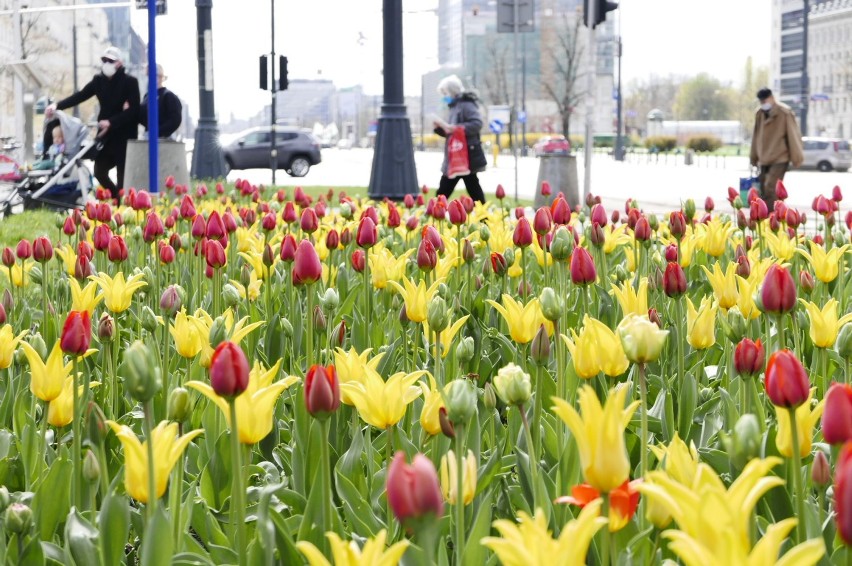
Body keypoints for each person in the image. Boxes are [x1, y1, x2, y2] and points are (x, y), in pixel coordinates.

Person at [46, 46, 140, 200]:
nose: (106, 63)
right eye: (104, 60)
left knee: (123, 177)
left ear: (119, 63)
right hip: (105, 137)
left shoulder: (130, 82)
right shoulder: (98, 81)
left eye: (110, 60)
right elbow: (80, 96)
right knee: (99, 171)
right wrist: (57, 106)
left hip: (124, 138)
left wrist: (111, 121)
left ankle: (121, 206)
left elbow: (134, 111)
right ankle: (117, 197)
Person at [433, 75, 487, 203]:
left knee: (447, 188)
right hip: (457, 155)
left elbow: (477, 124)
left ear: (452, 91)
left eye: (445, 93)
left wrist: (456, 128)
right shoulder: (454, 106)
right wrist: (441, 129)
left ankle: (434, 213)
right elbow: (452, 132)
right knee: (472, 187)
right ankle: (485, 219)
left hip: (464, 155)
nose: (444, 96)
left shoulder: (466, 105)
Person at [750, 87, 804, 212]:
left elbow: (793, 135)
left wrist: (797, 158)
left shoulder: (784, 112)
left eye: (765, 101)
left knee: (771, 188)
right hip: (763, 158)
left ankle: (772, 218)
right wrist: (753, 157)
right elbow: (755, 136)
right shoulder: (759, 113)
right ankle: (767, 218)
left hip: (780, 157)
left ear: (772, 98)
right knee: (763, 189)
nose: (764, 104)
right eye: (761, 102)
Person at [139, 64, 182, 139]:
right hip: (148, 137)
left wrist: (158, 132)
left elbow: (175, 120)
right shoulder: (147, 96)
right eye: (148, 76)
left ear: (160, 77)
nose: (149, 78)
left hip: (164, 138)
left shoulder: (168, 96)